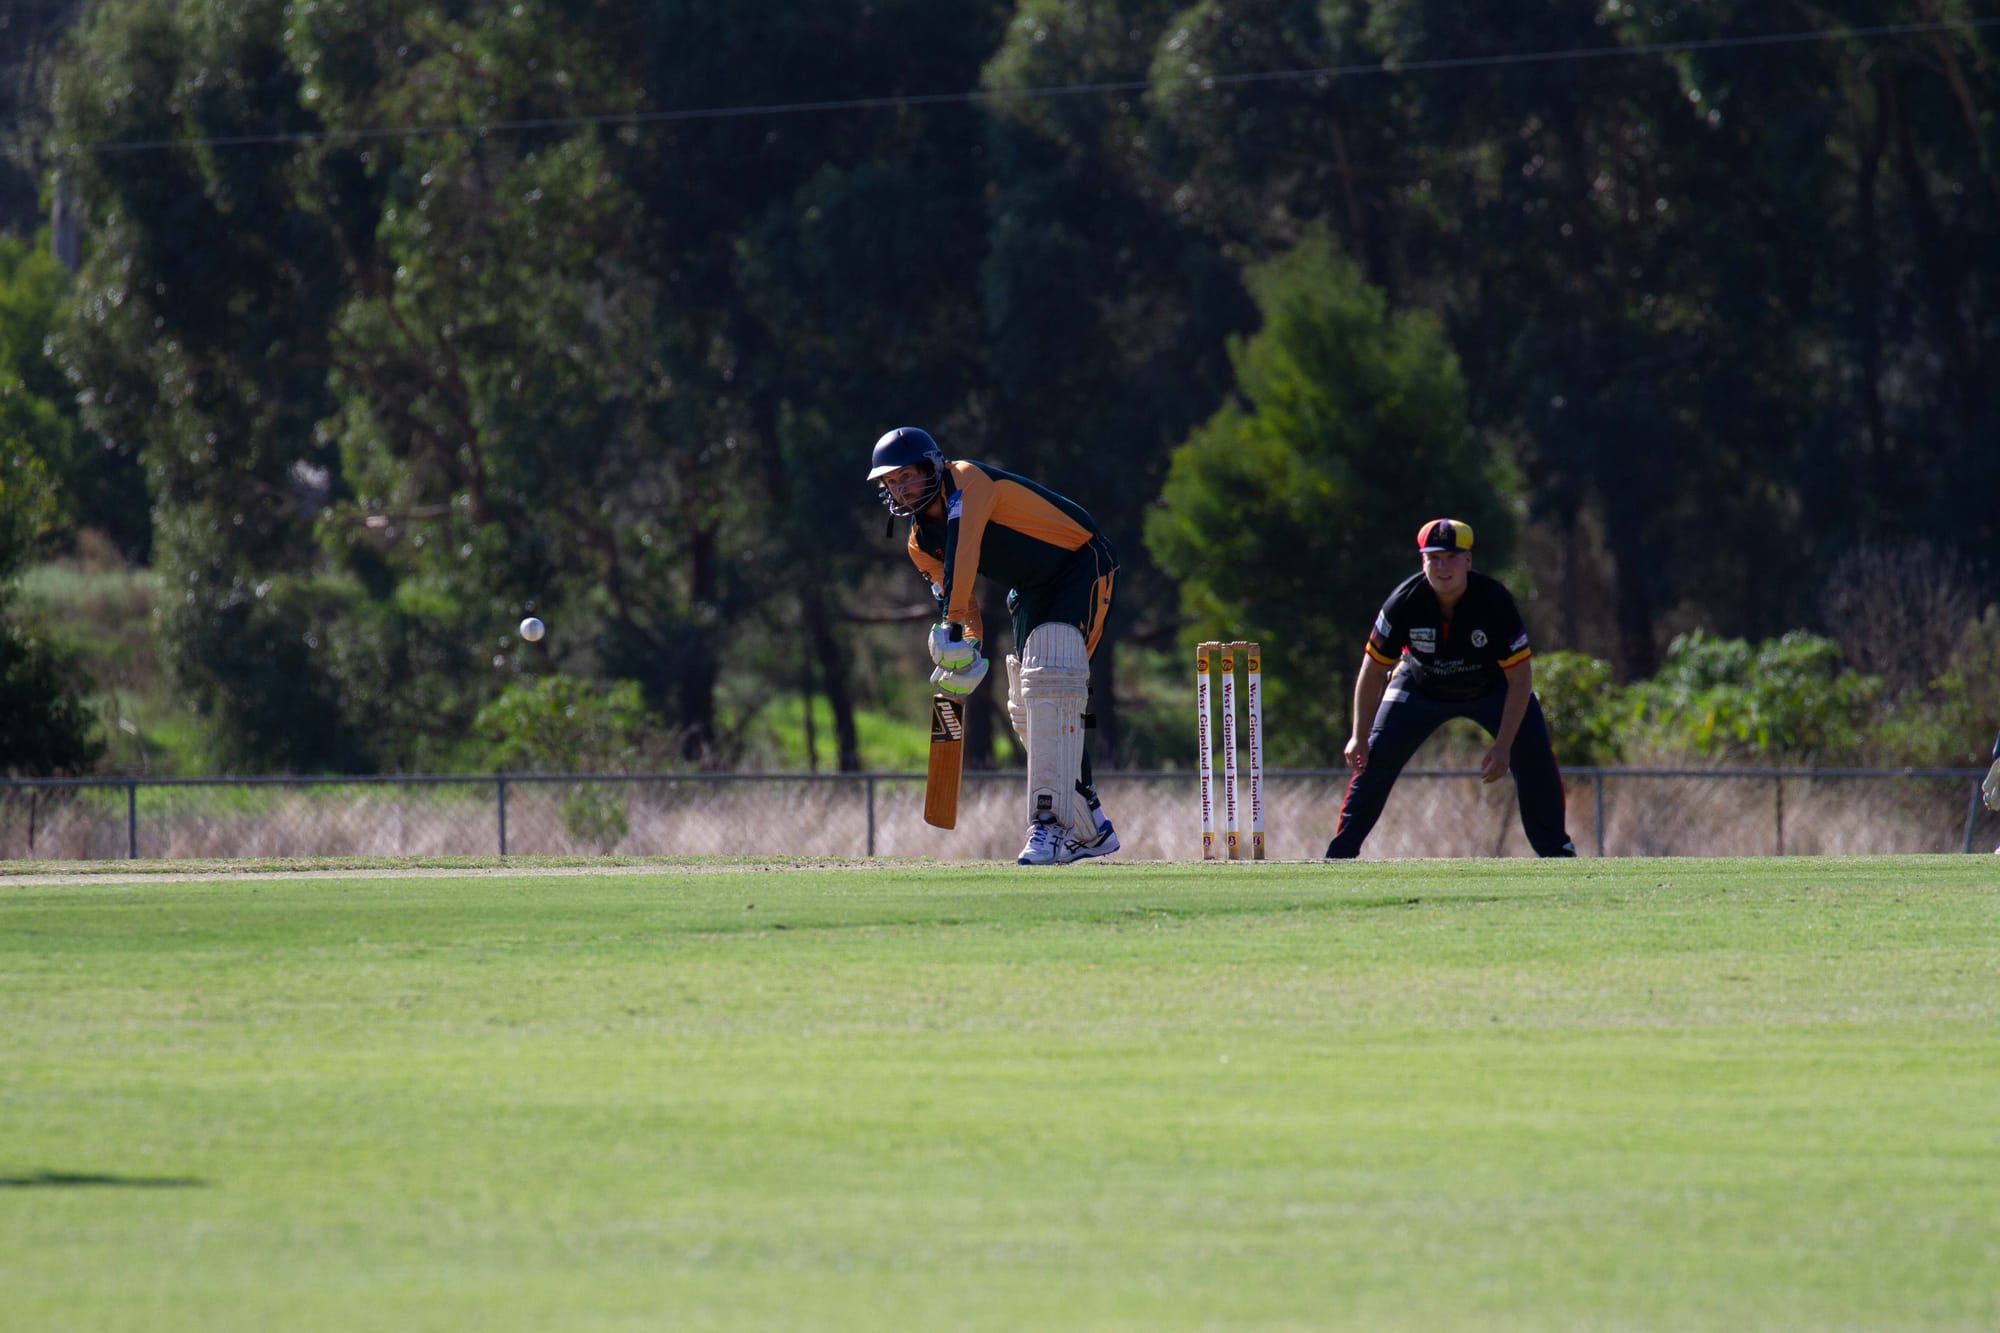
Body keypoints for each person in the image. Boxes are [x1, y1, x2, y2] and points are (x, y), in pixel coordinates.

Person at [867, 426, 1120, 865]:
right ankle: (1088, 825)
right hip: (1030, 590)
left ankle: (1052, 827)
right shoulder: (919, 543)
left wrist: (947, 625)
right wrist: (967, 650)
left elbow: (964, 555)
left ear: (931, 466)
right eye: (889, 482)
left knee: (1051, 686)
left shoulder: (968, 481)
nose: (898, 488)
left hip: (1081, 563)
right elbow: (960, 604)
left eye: (905, 476)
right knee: (1029, 705)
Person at [1325, 517, 1576, 859]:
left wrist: (1503, 747)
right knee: (1374, 757)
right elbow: (1372, 670)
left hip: (1493, 689)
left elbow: (1520, 679)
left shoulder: (1494, 601)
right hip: (1420, 685)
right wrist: (1358, 734)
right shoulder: (1403, 601)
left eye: (1451, 558)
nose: (1442, 567)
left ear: (1468, 561)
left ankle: (1557, 852)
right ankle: (1339, 855)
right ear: (1423, 562)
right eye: (1434, 559)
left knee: (1534, 757)